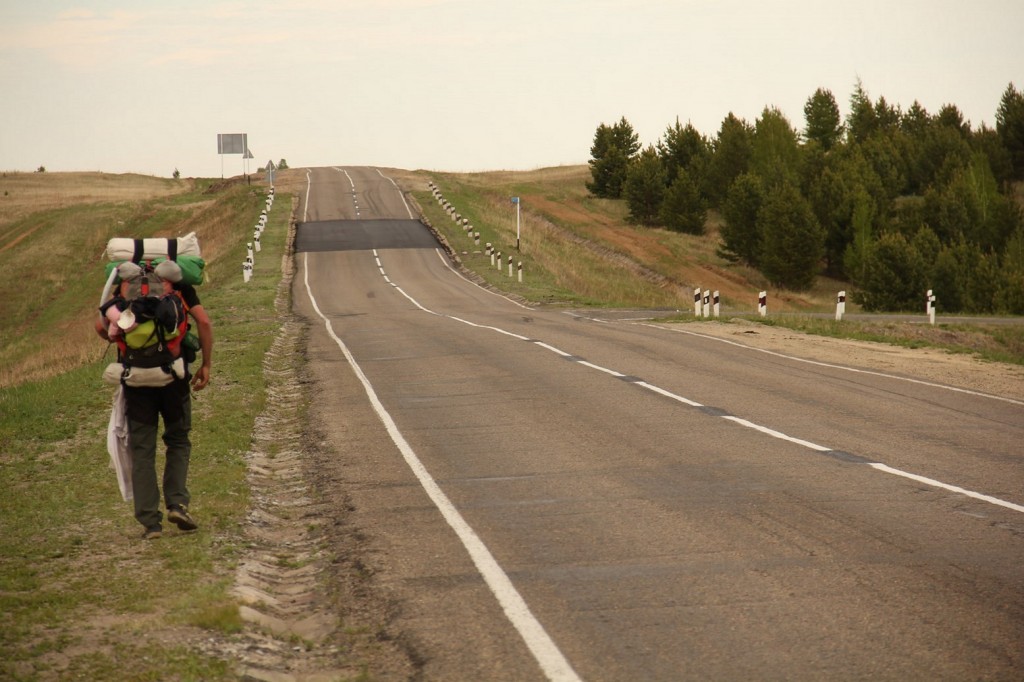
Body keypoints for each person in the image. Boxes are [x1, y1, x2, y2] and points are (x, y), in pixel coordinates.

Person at [95, 278, 213, 540]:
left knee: (142, 450)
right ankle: (177, 505)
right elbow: (203, 322)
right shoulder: (178, 286)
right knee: (178, 439)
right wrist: (206, 364)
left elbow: (100, 327)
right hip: (174, 378)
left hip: (136, 381)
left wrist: (126, 340)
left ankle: (151, 523)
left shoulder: (124, 288)